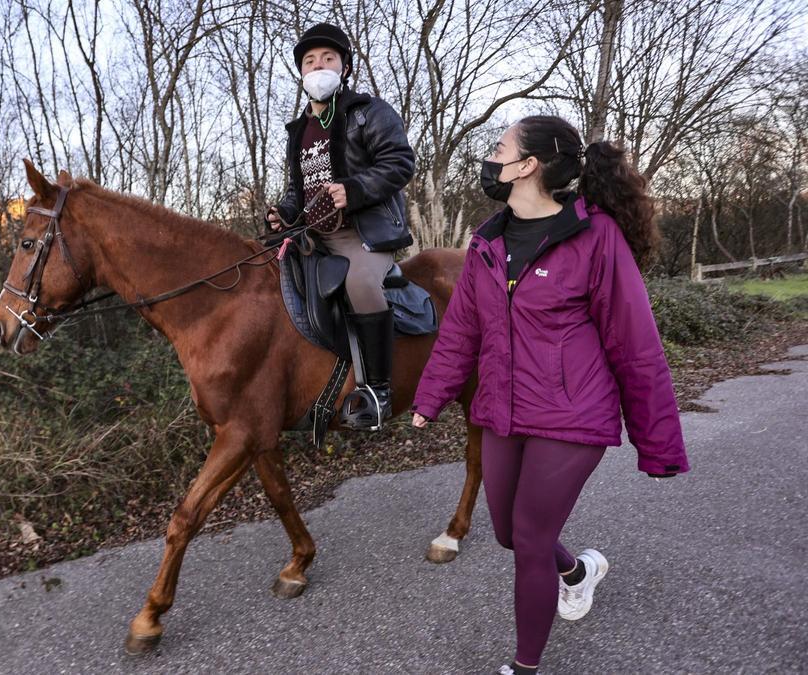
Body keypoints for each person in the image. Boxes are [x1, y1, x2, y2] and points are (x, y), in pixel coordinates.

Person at [409, 115, 690, 674]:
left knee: (532, 540)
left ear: (528, 164)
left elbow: (635, 346)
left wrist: (656, 444)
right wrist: (430, 397)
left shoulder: (595, 237)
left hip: (572, 414)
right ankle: (577, 571)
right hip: (502, 410)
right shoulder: (487, 240)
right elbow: (463, 328)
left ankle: (523, 667)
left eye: (499, 148)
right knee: (511, 533)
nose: (491, 157)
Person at [268, 22, 416, 432]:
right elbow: (298, 191)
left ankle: (378, 392)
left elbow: (400, 163)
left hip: (362, 233)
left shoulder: (370, 112)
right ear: (301, 72)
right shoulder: (297, 131)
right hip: (311, 238)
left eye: (328, 59)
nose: (319, 66)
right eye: (310, 61)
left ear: (344, 67)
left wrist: (353, 189)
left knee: (361, 284)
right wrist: (282, 213)